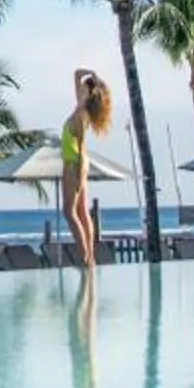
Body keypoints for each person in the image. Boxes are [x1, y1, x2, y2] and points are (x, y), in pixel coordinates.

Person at [59, 70, 113, 271]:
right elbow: (76, 74)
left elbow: (81, 147)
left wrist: (80, 177)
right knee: (81, 210)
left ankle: (85, 256)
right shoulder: (80, 107)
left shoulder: (82, 115)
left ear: (89, 94)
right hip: (77, 162)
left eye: (83, 89)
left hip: (75, 162)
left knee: (69, 211)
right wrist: (94, 75)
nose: (79, 89)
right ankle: (89, 257)